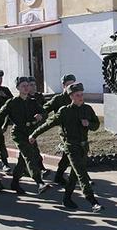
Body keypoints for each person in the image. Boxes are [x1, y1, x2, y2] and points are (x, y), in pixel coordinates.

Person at [29, 82, 104, 212]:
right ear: (71, 97)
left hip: (83, 147)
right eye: (77, 95)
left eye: (81, 94)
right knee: (81, 174)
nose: (81, 97)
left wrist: (89, 124)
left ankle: (67, 199)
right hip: (71, 147)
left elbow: (96, 125)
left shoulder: (87, 109)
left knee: (75, 175)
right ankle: (92, 201)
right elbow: (48, 124)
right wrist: (34, 134)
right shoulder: (64, 111)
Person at [0, 77, 50, 195]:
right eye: (23, 85)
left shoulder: (32, 101)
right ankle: (39, 182)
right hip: (18, 134)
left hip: (30, 133)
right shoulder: (11, 102)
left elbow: (44, 113)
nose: (26, 87)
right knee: (29, 156)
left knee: (22, 160)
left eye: (27, 85)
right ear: (18, 88)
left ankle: (14, 182)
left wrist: (41, 116)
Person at [42, 74, 76, 186]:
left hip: (76, 130)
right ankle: (81, 178)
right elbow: (46, 108)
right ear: (63, 86)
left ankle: (59, 176)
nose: (72, 87)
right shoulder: (58, 99)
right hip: (64, 131)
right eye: (69, 85)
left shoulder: (76, 96)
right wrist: (40, 114)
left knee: (69, 154)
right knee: (71, 153)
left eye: (73, 84)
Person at [0, 70, 12, 173]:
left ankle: (5, 163)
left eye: (0, 79)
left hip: (1, 122)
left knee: (1, 143)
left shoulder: (5, 90)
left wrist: (5, 96)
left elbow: (13, 105)